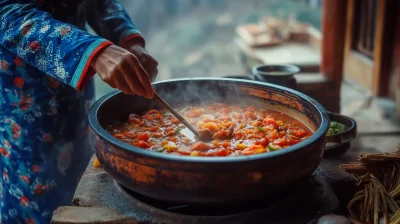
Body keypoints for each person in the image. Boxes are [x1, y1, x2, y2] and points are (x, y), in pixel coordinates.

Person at [0, 0, 158, 223]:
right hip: (26, 109)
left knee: (82, 187)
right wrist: (90, 51)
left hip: (78, 89)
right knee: (40, 206)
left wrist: (126, 38)